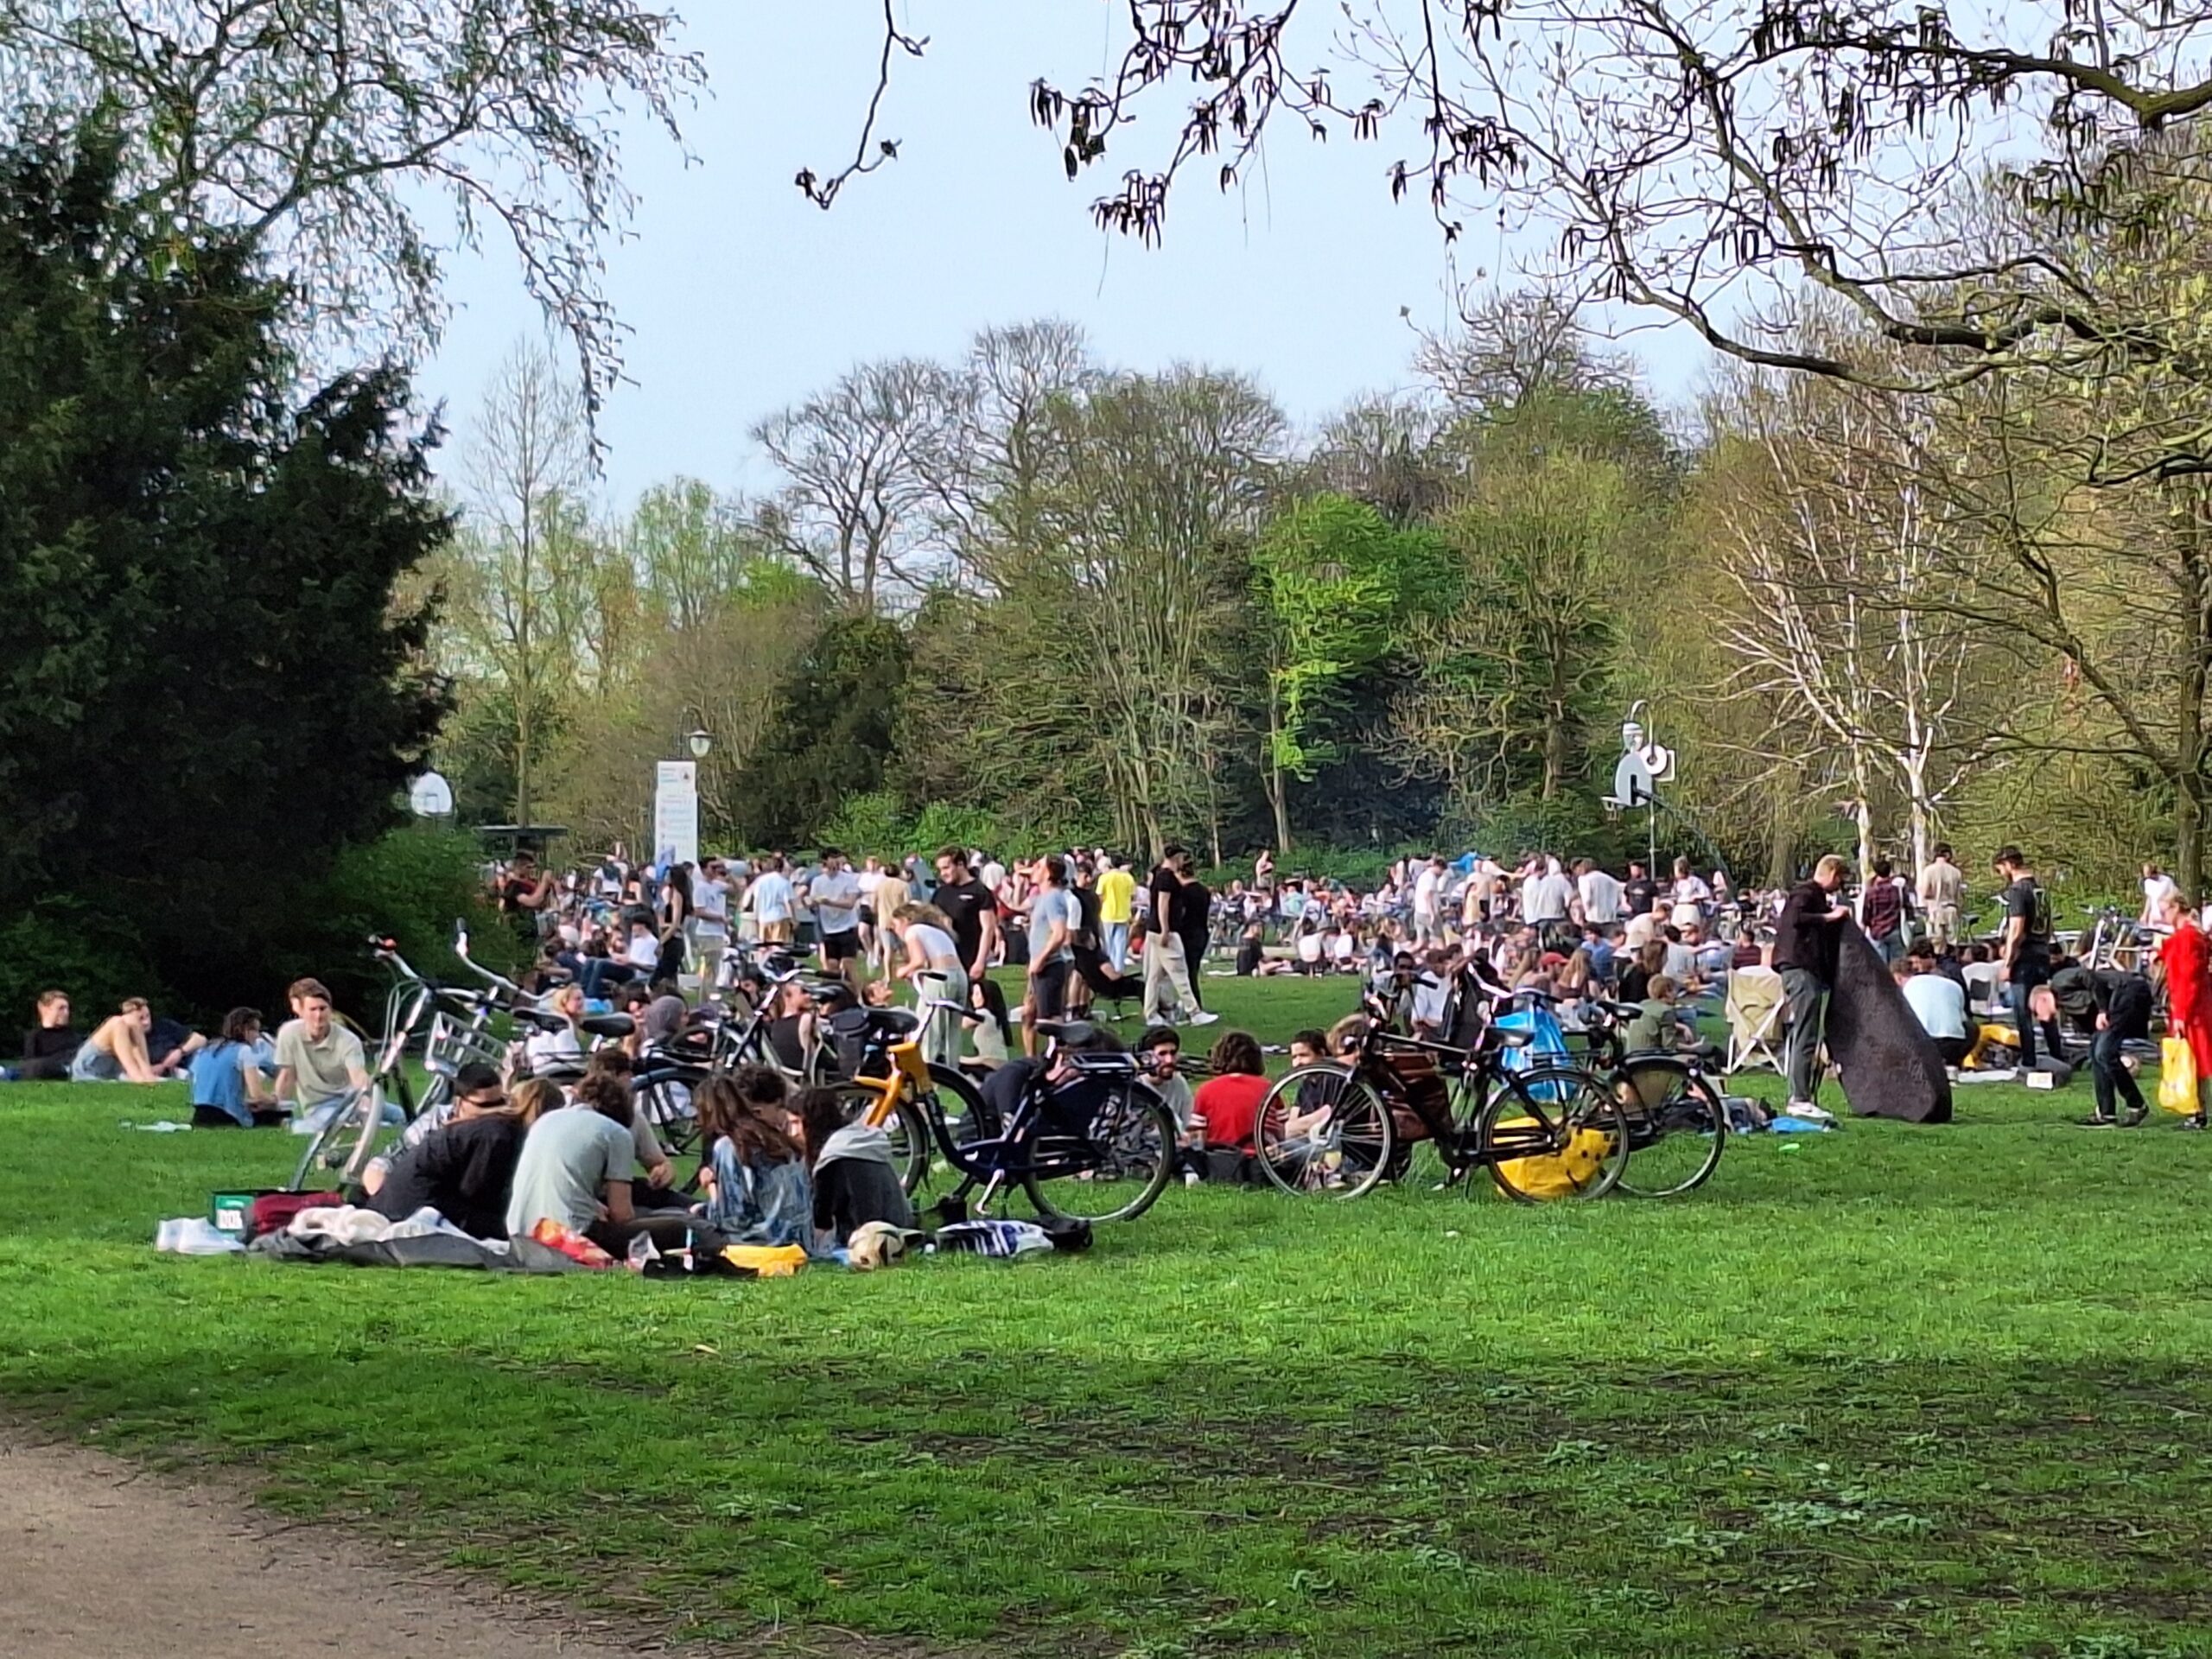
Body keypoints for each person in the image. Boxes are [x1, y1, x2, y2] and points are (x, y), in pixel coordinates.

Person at [365, 1073, 550, 1237]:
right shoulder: (497, 1135)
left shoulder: (491, 1131)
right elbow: (476, 1193)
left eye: (498, 1102)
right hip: (412, 1200)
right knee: (504, 1230)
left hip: (415, 1193)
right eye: (485, 1105)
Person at [506, 1069, 637, 1249]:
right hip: (570, 1234)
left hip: (520, 1228)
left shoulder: (547, 1119)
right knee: (675, 1226)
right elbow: (622, 1214)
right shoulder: (616, 1133)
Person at [696, 1069, 813, 1247]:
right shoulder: (778, 1138)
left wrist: (711, 1190)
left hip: (763, 1241)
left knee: (679, 1220)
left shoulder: (730, 1146)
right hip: (801, 1239)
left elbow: (733, 1219)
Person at [1774, 854, 1853, 1114]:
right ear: (1832, 873)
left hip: (1801, 969)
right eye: (1840, 879)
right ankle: (1799, 1098)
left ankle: (1799, 1094)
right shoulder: (1805, 892)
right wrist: (1831, 916)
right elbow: (1797, 917)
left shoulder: (1812, 895)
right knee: (1806, 1033)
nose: (1839, 887)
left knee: (1803, 1031)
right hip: (1800, 968)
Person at [799, 1086, 915, 1248]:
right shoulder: (860, 1139)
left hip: (865, 1239)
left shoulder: (832, 1157)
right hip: (901, 1227)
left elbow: (822, 1219)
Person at [1994, 846, 2059, 1070]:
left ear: (2009, 865)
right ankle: (2057, 1053)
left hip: (2025, 956)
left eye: (2000, 869)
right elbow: (2049, 926)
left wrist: (2008, 962)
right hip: (2043, 953)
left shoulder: (2017, 891)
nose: (2001, 874)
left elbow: (2016, 929)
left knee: (2022, 1012)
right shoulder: (2040, 891)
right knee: (2044, 1007)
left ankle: (2029, 1059)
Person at [271, 979, 370, 1118]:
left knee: (400, 1116)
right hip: (318, 1106)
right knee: (337, 1120)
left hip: (350, 1100)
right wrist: (277, 1108)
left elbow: (358, 1076)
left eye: (322, 1009)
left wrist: (366, 1106)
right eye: (313, 1009)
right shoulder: (289, 1034)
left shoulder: (349, 1040)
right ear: (301, 1011)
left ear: (330, 1010)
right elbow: (287, 1075)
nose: (318, 1015)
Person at [2155, 889, 2212, 1129]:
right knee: (2196, 1061)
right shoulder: (2190, 936)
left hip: (2192, 1010)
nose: (2161, 916)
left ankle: (2196, 1111)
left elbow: (2188, 978)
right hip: (2194, 1006)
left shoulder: (2188, 938)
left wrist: (2180, 1014)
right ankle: (2196, 1111)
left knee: (2196, 1061)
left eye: (2164, 910)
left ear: (2176, 908)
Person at [1142, 845, 1214, 1027]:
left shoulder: (1160, 875)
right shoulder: (1167, 878)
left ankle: (1151, 1013)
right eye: (1182, 857)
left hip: (1154, 930)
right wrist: (1165, 929)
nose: (1183, 862)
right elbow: (1163, 904)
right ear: (1175, 857)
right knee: (1180, 972)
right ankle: (1194, 1011)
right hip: (1165, 931)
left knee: (1154, 976)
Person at [891, 902, 967, 1069]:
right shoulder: (938, 931)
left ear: (905, 920)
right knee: (952, 1029)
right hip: (960, 976)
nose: (895, 930)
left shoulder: (913, 931)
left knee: (928, 1028)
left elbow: (918, 960)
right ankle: (952, 1070)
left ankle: (927, 1068)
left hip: (940, 976)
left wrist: (902, 971)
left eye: (896, 925)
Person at [1020, 855, 1082, 1056]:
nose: (1033, 868)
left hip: (1050, 965)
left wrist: (1041, 958)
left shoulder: (1054, 897)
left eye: (1038, 866)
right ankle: (1032, 1060)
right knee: (1029, 1013)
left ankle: (1060, 1060)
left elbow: (1059, 934)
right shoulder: (1042, 897)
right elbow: (1015, 906)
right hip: (1039, 965)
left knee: (1050, 1021)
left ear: (1048, 873)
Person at [188, 1008, 283, 1128]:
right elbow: (257, 1095)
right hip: (227, 1115)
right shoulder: (244, 1050)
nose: (257, 1035)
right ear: (245, 1030)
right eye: (255, 1030)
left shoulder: (204, 1050)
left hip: (200, 1114)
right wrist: (274, 1101)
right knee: (279, 1114)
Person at [2085, 965, 2153, 1128]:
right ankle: (2106, 1111)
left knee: (2104, 1053)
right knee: (2097, 1050)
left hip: (2128, 995)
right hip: (2128, 995)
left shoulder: (2061, 980)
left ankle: (2136, 1103)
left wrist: (2102, 1010)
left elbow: (2090, 977)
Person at [1188, 1030, 1270, 1154]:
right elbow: (1280, 1127)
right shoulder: (1267, 1087)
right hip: (1260, 1156)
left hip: (1220, 1157)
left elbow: (1197, 1133)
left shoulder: (1206, 1089)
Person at [931, 847, 1001, 987]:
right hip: (944, 962)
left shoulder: (979, 892)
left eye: (946, 868)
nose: (943, 873)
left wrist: (980, 961)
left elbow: (988, 929)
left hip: (970, 961)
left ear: (960, 865)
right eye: (940, 870)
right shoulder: (940, 893)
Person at [70, 997, 176, 1084]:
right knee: (117, 1022)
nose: (146, 1022)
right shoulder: (118, 1024)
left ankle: (142, 1076)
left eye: (147, 1016)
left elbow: (138, 1059)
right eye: (141, 1018)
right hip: (88, 1069)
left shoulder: (138, 1031)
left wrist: (147, 1073)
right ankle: (138, 1077)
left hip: (112, 1074)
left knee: (129, 1023)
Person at [1895, 952, 1970, 1068]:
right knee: (1972, 1029)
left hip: (1925, 1044)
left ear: (1898, 978)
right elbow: (1963, 1018)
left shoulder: (1907, 989)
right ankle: (1954, 1062)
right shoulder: (1953, 985)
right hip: (1954, 1043)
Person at [805, 848, 866, 989]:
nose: (836, 864)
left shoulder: (848, 879)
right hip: (829, 929)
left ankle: (859, 999)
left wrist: (829, 902)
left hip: (847, 928)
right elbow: (812, 901)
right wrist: (810, 903)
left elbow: (850, 903)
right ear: (825, 862)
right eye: (832, 859)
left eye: (837, 860)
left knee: (848, 966)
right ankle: (835, 997)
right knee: (831, 967)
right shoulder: (818, 881)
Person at [9, 989, 82, 1082]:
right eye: (61, 1008)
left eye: (67, 1009)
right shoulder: (35, 1036)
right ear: (44, 1009)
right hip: (41, 1069)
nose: (66, 1013)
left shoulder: (73, 1036)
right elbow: (29, 1063)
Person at [1861, 858, 1911, 964]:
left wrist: (1864, 929)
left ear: (1876, 872)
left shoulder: (1871, 892)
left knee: (1880, 966)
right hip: (1895, 929)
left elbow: (1866, 913)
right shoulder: (1898, 890)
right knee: (1898, 965)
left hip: (1877, 932)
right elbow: (1907, 906)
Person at [1916, 844, 1965, 951]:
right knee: (1951, 944)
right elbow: (1959, 894)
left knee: (1936, 945)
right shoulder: (1956, 872)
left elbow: (1925, 893)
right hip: (1951, 909)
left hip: (1935, 910)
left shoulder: (1929, 871)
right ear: (1947, 855)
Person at [1096, 855, 1139, 973]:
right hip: (1123, 913)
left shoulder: (1104, 878)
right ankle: (1119, 968)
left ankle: (1109, 968)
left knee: (1108, 943)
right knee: (1120, 943)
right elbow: (1133, 895)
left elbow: (1100, 895)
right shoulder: (1128, 877)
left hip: (1107, 913)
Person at [747, 854, 797, 946]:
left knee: (764, 948)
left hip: (763, 918)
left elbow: (756, 899)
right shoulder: (784, 882)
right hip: (779, 918)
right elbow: (788, 902)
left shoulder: (760, 881)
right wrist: (793, 919)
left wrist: (756, 916)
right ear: (782, 868)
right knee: (779, 948)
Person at [2141, 862, 2182, 928]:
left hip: (2166, 914)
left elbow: (2175, 892)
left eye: (2147, 872)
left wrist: (2167, 900)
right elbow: (2149, 898)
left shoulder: (2167, 880)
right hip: (2154, 914)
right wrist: (2145, 914)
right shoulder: (2147, 883)